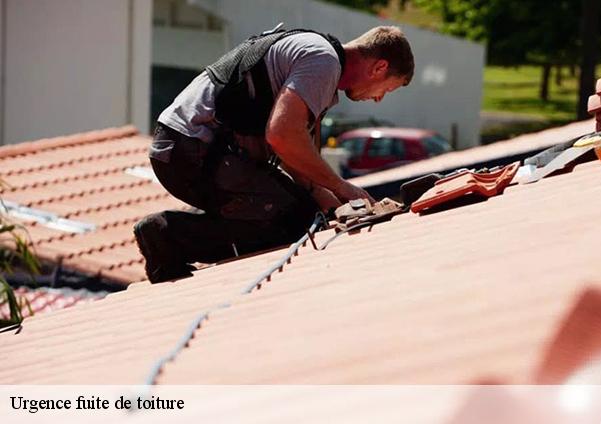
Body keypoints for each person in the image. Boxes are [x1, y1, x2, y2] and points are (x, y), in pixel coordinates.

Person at [134, 25, 414, 283]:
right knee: (290, 221)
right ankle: (166, 235)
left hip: (191, 149)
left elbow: (301, 166)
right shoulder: (322, 61)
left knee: (306, 211)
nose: (379, 98)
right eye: (387, 89)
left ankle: (173, 236)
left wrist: (334, 206)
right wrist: (342, 187)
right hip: (190, 150)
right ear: (379, 67)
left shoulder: (321, 61)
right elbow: (282, 136)